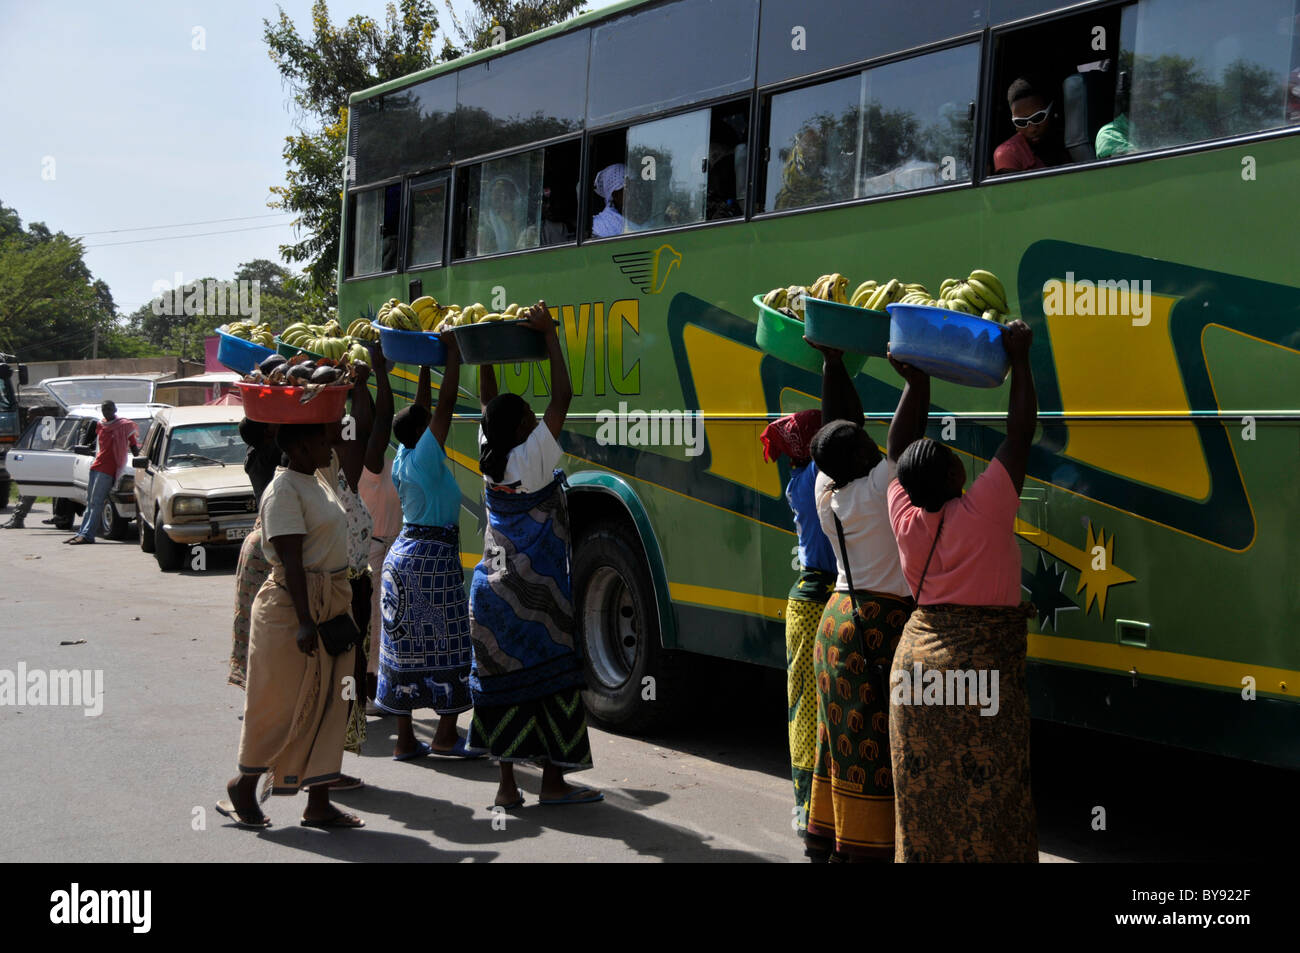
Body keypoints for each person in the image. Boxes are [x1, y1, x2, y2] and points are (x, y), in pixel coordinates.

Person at [885, 320, 1039, 863]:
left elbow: (898, 449)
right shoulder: (984, 510)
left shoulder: (903, 514)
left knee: (925, 804)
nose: (964, 465)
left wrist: (916, 384)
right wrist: (1019, 358)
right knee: (990, 804)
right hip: (981, 676)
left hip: (915, 672)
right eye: (956, 463)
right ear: (955, 479)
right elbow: (1019, 434)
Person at [469, 302, 602, 807]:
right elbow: (563, 394)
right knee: (553, 685)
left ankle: (507, 789)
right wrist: (548, 336)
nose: (534, 415)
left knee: (501, 687)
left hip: (490, 594)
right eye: (528, 413)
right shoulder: (534, 457)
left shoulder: (492, 457)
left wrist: (485, 352)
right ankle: (551, 781)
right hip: (538, 598)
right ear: (524, 426)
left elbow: (489, 406)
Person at [802, 339, 914, 862]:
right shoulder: (880, 485)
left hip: (835, 624)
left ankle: (826, 838)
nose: (876, 448)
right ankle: (864, 851)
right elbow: (903, 435)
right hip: (877, 625)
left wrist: (832, 363)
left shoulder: (828, 489)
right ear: (864, 460)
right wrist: (916, 383)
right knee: (873, 745)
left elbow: (837, 428)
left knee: (838, 738)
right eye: (868, 448)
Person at [219, 422, 363, 829]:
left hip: (331, 601)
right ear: (299, 447)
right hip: (291, 608)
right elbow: (291, 561)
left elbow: (346, 435)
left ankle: (318, 802)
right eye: (319, 439)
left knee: (331, 702)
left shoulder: (316, 479)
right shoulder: (283, 491)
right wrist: (304, 621)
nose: (327, 444)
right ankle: (243, 786)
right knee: (280, 705)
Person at [377, 336, 480, 760]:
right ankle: (444, 736)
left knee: (405, 645)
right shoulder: (421, 454)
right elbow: (445, 405)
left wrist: (424, 362)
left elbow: (421, 408)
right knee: (451, 641)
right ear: (424, 434)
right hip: (431, 559)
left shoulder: (403, 451)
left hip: (403, 555)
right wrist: (452, 356)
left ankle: (405, 740)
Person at [760, 409, 838, 858]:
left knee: (804, 713)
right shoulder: (815, 480)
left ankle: (808, 811)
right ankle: (815, 814)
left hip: (806, 599)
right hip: (817, 601)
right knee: (817, 713)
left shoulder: (799, 479)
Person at [357, 339, 398, 711]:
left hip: (380, 547)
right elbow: (384, 417)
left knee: (378, 628)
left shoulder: (370, 458)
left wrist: (364, 384)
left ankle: (374, 691)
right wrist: (380, 373)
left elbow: (377, 416)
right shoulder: (367, 463)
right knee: (375, 629)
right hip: (374, 552)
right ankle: (370, 695)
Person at [227, 418, 281, 689]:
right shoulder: (270, 455)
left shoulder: (255, 453)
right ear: (269, 431)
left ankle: (255, 680)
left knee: (253, 615)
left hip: (259, 539)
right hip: (268, 542)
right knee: (267, 619)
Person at [66, 401, 139, 545]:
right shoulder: (100, 424)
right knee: (90, 503)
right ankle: (81, 532)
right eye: (104, 409)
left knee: (97, 502)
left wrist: (143, 460)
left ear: (115, 409)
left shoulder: (125, 426)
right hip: (96, 466)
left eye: (109, 408)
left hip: (108, 469)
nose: (107, 411)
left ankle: (88, 535)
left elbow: (134, 447)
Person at [992, 78, 1070, 174]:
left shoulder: (1071, 138)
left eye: (1038, 117)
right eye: (1021, 122)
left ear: (1052, 111)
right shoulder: (1008, 153)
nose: (1032, 129)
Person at [591, 163, 632, 238]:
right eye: (627, 189)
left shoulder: (645, 218)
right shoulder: (598, 225)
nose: (633, 193)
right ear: (615, 196)